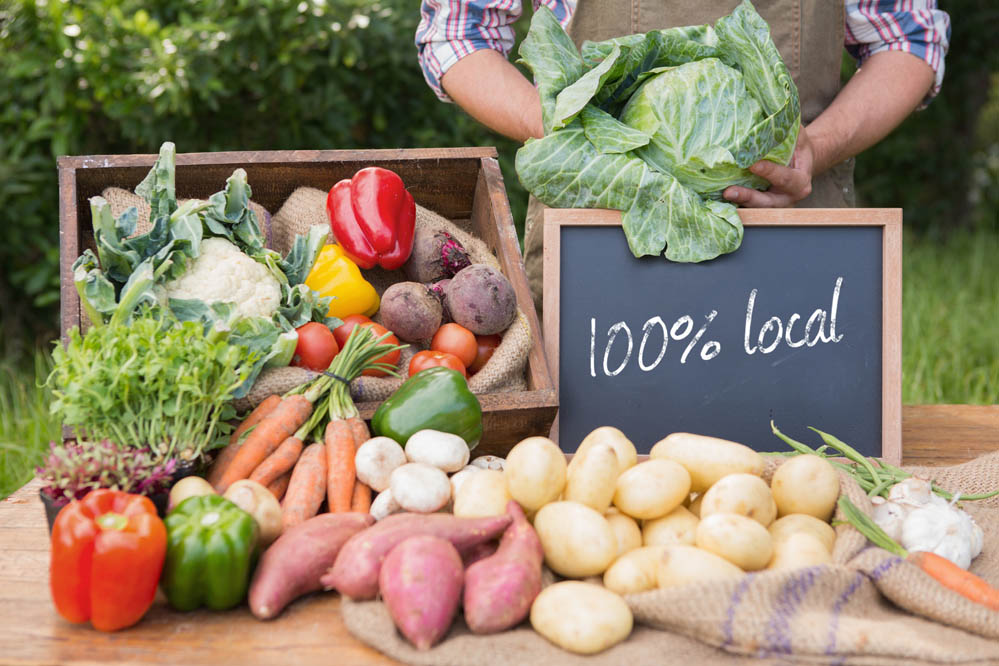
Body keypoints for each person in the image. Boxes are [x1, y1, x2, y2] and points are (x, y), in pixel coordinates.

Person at [415, 1, 950, 311]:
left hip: (795, 235)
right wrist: (583, 134)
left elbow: (909, 39)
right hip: (599, 244)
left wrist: (818, 146)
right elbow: (458, 34)